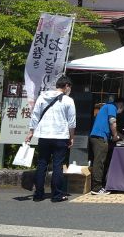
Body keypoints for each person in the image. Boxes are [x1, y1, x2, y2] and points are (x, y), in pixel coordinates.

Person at [25, 75, 76, 203]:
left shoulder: (43, 97)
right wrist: (72, 137)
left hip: (44, 135)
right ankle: (57, 195)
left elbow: (35, 115)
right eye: (69, 87)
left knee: (42, 164)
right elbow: (72, 122)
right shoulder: (68, 100)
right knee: (57, 166)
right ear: (66, 86)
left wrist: (31, 132)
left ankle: (38, 194)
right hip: (60, 136)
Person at [89, 98, 124, 195]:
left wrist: (121, 136)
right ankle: (96, 188)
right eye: (122, 109)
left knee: (100, 161)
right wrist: (115, 136)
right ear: (121, 105)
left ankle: (100, 185)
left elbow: (113, 127)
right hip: (100, 137)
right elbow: (112, 122)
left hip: (98, 136)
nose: (121, 111)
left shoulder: (106, 107)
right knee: (99, 162)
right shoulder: (112, 107)